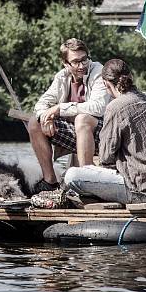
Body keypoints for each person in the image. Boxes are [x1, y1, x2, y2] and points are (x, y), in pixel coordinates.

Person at [63, 59, 146, 204]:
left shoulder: (115, 107)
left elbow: (106, 157)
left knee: (72, 175)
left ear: (106, 84)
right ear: (131, 77)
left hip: (137, 189)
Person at [26, 38, 111, 192]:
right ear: (66, 63)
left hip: (105, 135)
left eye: (84, 59)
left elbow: (99, 107)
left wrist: (59, 109)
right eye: (76, 62)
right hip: (76, 134)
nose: (82, 65)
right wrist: (46, 117)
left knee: (82, 119)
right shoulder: (61, 77)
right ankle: (50, 182)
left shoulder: (99, 71)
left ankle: (88, 182)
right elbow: (40, 104)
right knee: (34, 122)